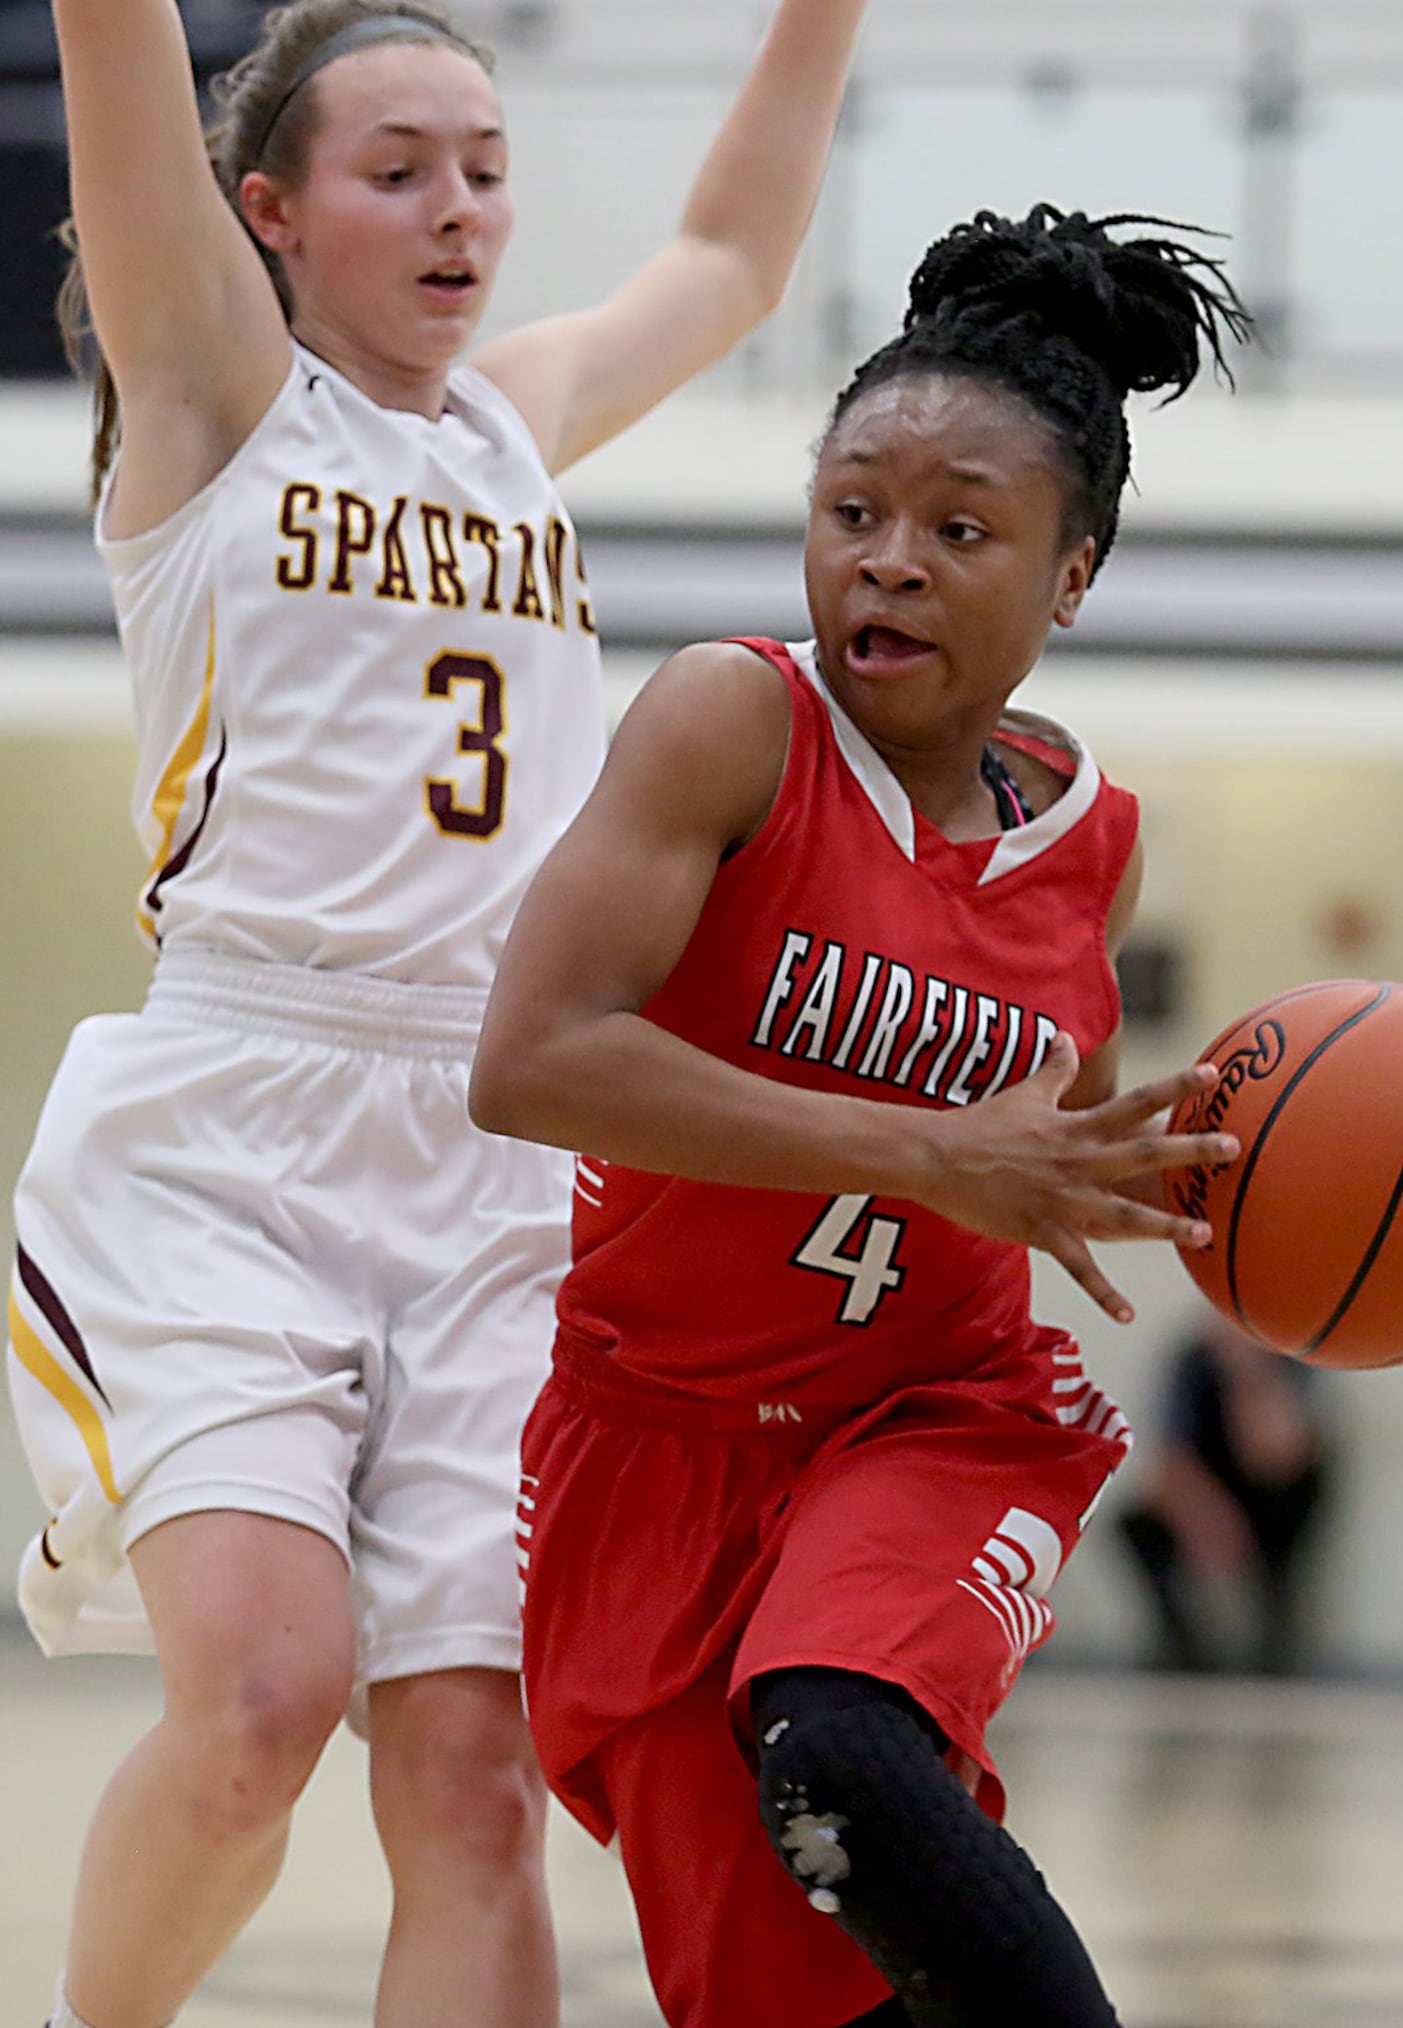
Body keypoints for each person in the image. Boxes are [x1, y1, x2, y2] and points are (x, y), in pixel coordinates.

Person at [4, 3, 870, 2025]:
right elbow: (116, 56)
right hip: (229, 1128)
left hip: (496, 1146)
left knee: (478, 1778)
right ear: (269, 218)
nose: (460, 208)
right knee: (261, 1712)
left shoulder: (513, 416)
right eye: (397, 171)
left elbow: (729, 262)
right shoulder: (215, 395)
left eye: (485, 163)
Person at [469, 206, 1253, 2028]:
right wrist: (926, 1150)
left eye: (960, 530)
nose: (888, 565)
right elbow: (530, 1057)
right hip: (648, 1445)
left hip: (933, 1411)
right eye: (853, 516)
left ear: (1073, 574)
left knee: (839, 1745)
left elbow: (1079, 1146)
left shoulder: (1094, 838)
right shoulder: (731, 720)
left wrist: (1371, 1159)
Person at [1115, 1312, 1335, 1676]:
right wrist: (1208, 1519)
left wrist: (1249, 1375)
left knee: (1292, 1507)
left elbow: (1275, 1458)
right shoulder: (1192, 1363)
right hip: (1209, 1492)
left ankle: (1276, 1646)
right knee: (1135, 1524)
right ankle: (1184, 1647)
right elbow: (1170, 1461)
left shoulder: (1301, 1359)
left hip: (1274, 1495)